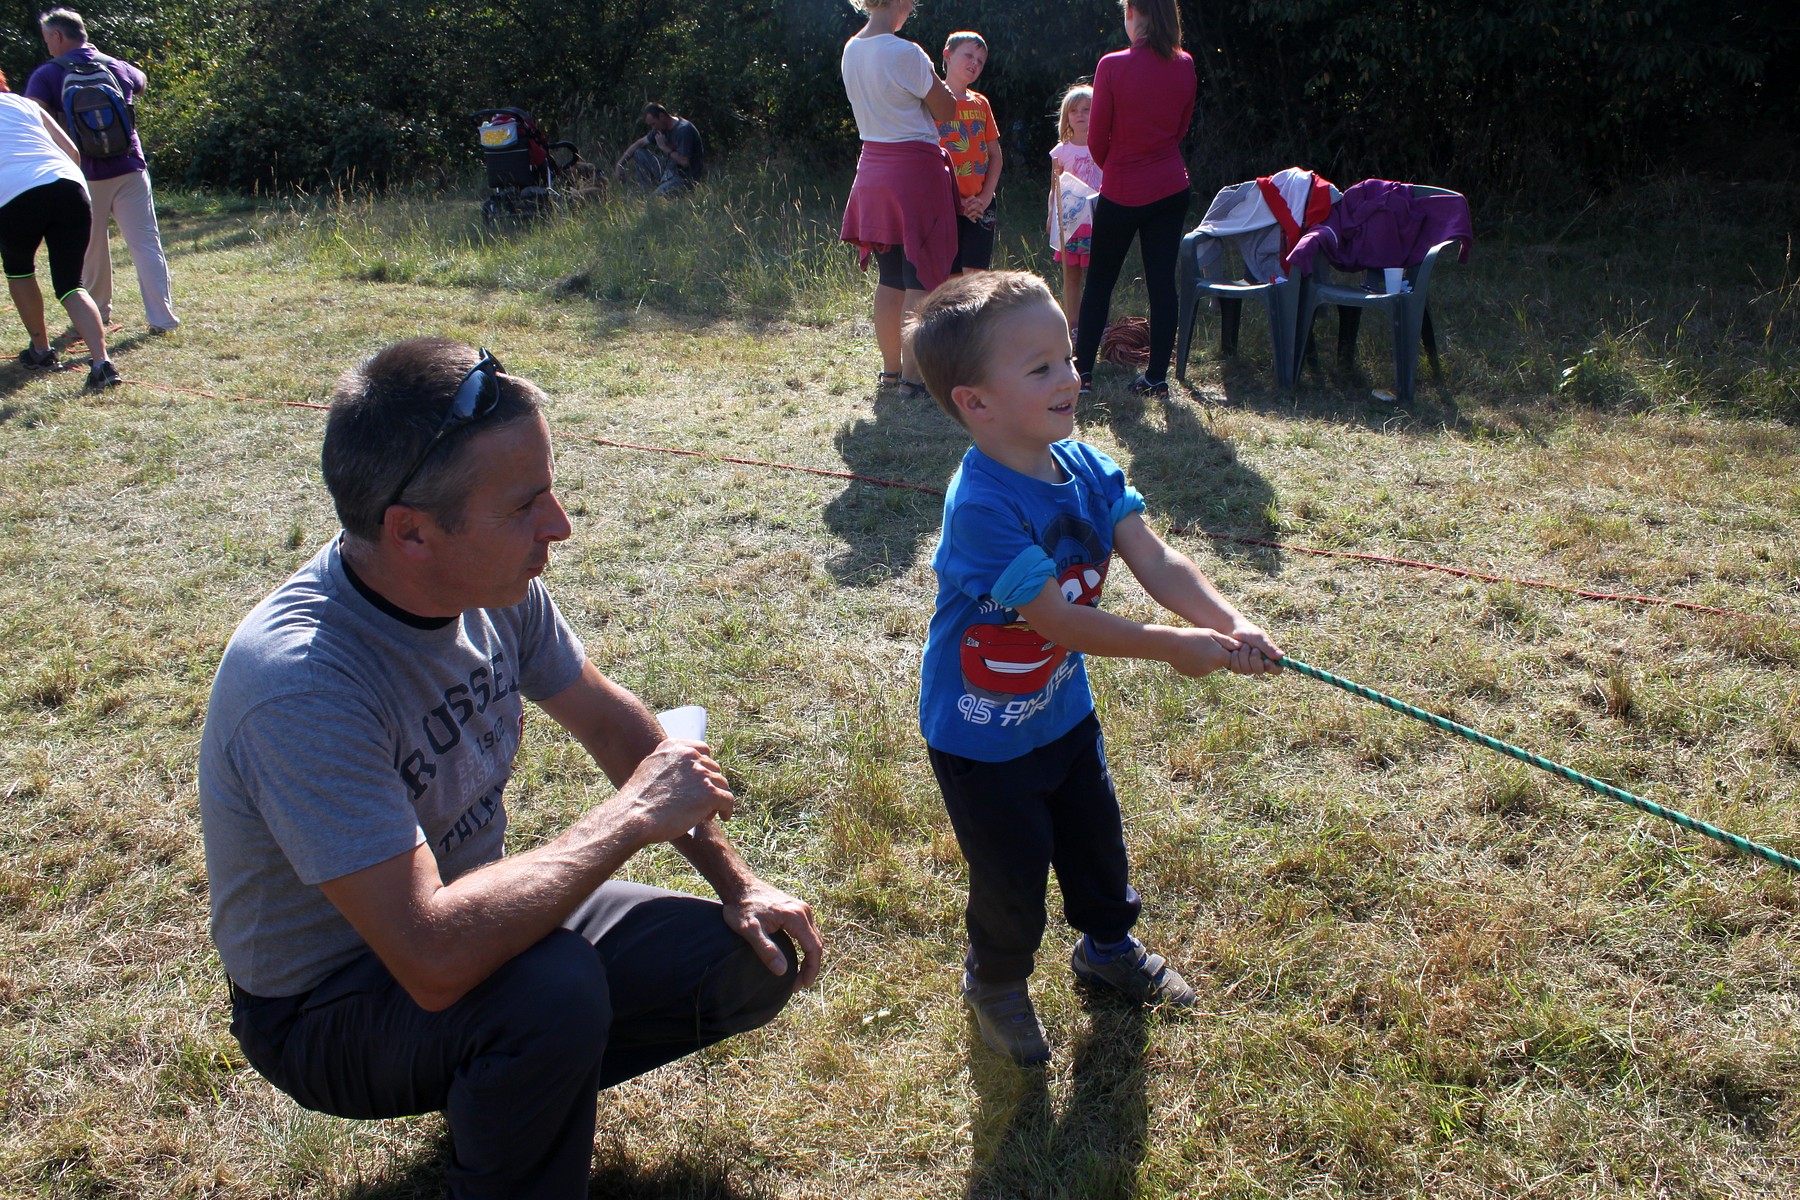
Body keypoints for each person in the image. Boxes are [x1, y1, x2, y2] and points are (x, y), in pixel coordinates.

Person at [198, 339, 824, 1199]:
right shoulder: (302, 684)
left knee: (752, 957)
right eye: (525, 505)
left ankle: (506, 1088)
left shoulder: (495, 591)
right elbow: (429, 956)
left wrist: (739, 884)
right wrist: (629, 817)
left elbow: (609, 723)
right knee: (549, 996)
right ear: (411, 531)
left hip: (461, 921)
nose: (558, 525)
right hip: (325, 1005)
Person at [909, 271, 1282, 1064]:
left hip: (1061, 711)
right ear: (976, 402)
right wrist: (1173, 647)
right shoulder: (982, 506)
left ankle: (1107, 948)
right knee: (1011, 879)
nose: (1071, 378)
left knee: (1096, 845)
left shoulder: (1085, 466)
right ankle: (997, 983)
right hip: (980, 737)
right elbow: (1059, 620)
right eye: (1040, 367)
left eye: (1069, 357)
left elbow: (1156, 559)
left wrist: (1226, 621)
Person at [26, 8, 179, 335]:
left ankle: (98, 313)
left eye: (47, 39)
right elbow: (141, 83)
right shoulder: (115, 65)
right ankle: (162, 319)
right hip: (130, 165)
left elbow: (34, 116)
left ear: (58, 36)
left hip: (83, 172)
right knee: (146, 243)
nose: (47, 45)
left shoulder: (48, 74)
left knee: (91, 247)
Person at [1071, 0, 1194, 397]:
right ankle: (1157, 378)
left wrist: (1120, 165)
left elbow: (1096, 139)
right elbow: (1179, 129)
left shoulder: (1112, 65)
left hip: (1123, 187)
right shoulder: (1184, 64)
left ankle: (1083, 374)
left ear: (1132, 13)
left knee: (1099, 282)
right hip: (1170, 185)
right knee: (1162, 283)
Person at [839, 0, 958, 399]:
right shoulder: (906, 52)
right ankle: (912, 379)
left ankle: (891, 373)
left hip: (872, 168)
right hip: (913, 170)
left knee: (890, 278)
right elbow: (946, 109)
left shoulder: (851, 48)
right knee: (920, 278)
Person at [0, 67, 119, 387]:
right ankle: (102, 364)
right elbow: (73, 152)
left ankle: (41, 350)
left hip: (14, 195)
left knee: (19, 270)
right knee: (71, 285)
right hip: (69, 186)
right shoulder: (27, 105)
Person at [936, 30, 1003, 277]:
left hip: (979, 204)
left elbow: (995, 155)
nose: (975, 63)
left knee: (976, 276)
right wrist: (956, 203)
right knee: (950, 278)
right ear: (948, 55)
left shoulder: (981, 103)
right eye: (968, 55)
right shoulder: (931, 100)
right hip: (943, 204)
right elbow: (924, 158)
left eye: (980, 61)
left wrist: (984, 199)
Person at [1047, 84, 1101, 332]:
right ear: (1066, 116)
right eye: (1074, 110)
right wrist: (1051, 216)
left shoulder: (1104, 146)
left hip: (1097, 222)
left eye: (1087, 109)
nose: (1080, 115)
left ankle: (1097, 324)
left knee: (1099, 277)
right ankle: (1074, 326)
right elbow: (1055, 188)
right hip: (1070, 224)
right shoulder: (1061, 151)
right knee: (1071, 276)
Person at [613, 102, 705, 196]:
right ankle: (646, 191)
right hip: (668, 170)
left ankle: (654, 194)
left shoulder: (684, 130)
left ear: (661, 116)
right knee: (639, 153)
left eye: (653, 124)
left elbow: (684, 162)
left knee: (654, 199)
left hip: (684, 178)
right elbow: (640, 143)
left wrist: (664, 147)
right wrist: (619, 164)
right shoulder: (660, 128)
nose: (653, 127)